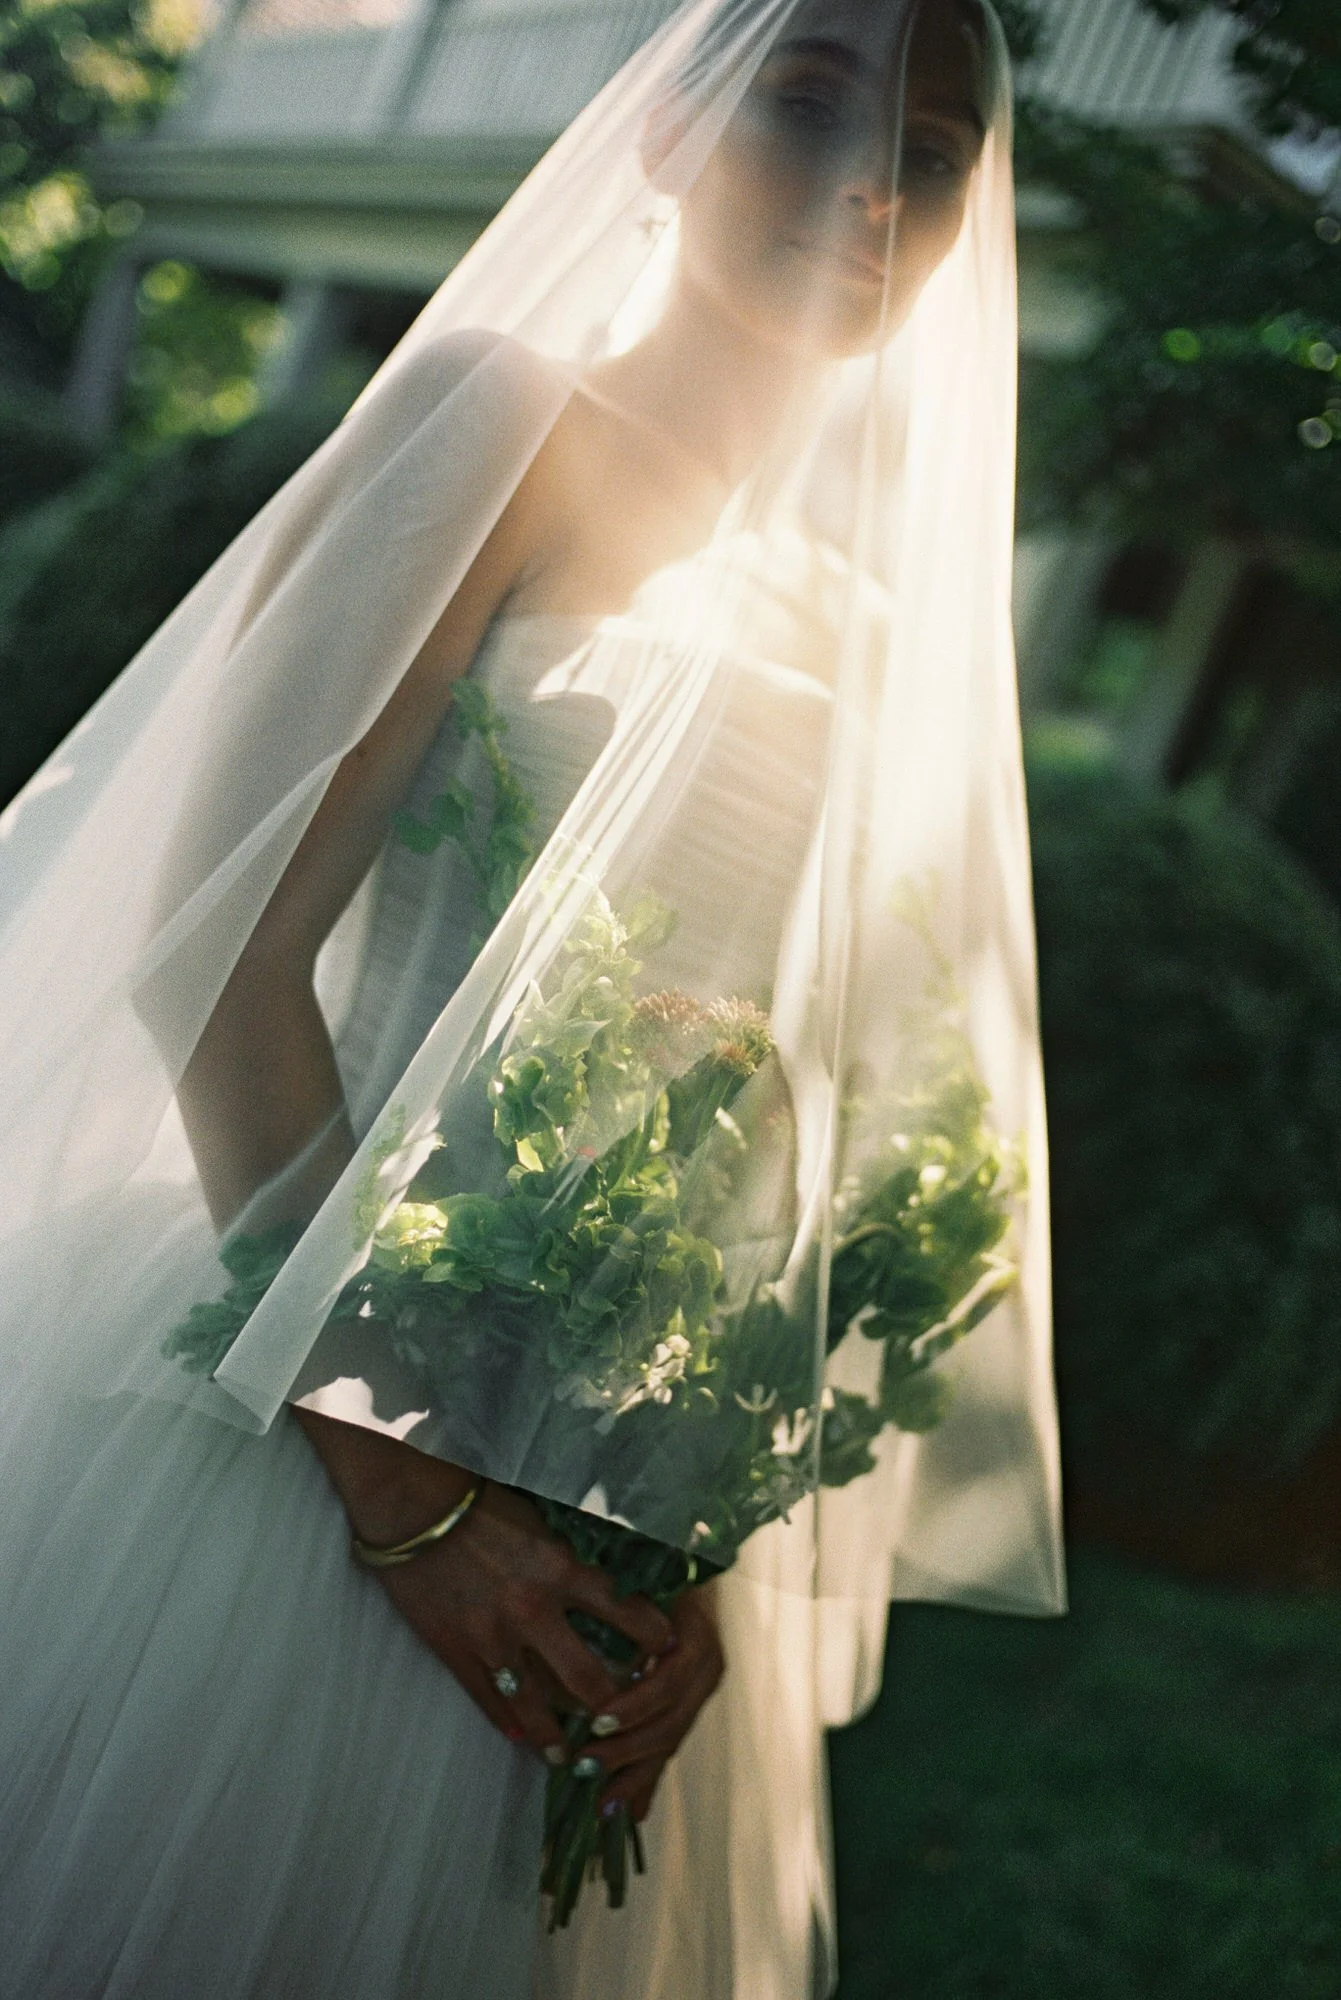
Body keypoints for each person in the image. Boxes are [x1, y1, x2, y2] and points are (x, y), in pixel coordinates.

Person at [0, 1, 1064, 1994]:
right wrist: (401, 1492)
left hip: (594, 1487)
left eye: (926, 155)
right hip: (293, 1404)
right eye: (811, 104)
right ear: (659, 128)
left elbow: (761, 1113)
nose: (862, 188)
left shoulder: (858, 623)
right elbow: (214, 953)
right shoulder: (504, 414)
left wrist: (690, 1517)